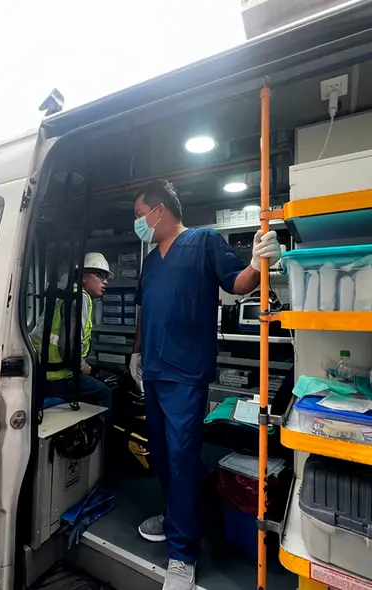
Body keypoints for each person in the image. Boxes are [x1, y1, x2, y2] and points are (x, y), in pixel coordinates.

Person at [128, 179, 282, 590]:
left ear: (159, 210)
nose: (138, 223)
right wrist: (137, 352)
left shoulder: (204, 242)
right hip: (156, 372)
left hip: (186, 374)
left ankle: (183, 554)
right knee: (160, 455)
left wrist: (259, 261)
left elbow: (237, 283)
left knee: (181, 457)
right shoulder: (150, 261)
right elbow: (145, 308)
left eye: (140, 214)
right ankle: (177, 514)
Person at [31, 252, 114, 418]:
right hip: (60, 377)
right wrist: (85, 367)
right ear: (83, 277)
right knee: (105, 393)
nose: (105, 281)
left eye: (106, 277)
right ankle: (100, 441)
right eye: (100, 275)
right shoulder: (81, 299)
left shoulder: (65, 295)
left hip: (42, 372)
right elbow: (70, 349)